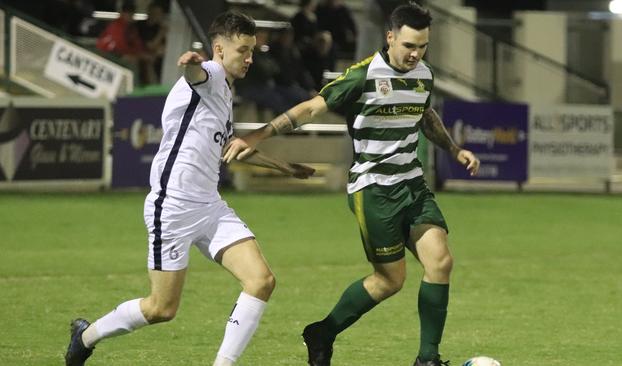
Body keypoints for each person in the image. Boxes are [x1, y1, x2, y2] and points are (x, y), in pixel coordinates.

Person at [223, 3, 480, 366]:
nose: (414, 53)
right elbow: (312, 108)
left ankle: (427, 359)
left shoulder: (424, 74)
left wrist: (454, 149)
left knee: (440, 261)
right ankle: (322, 332)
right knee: (390, 281)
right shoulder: (363, 76)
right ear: (390, 37)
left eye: (422, 46)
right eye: (408, 45)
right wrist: (258, 136)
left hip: (412, 184)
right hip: (373, 190)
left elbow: (424, 112)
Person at [65, 11, 315, 366]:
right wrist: (191, 64)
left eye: (252, 51)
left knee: (261, 280)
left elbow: (232, 148)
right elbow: (197, 73)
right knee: (161, 308)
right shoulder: (211, 75)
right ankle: (86, 336)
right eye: (243, 49)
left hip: (209, 206)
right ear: (219, 49)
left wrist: (285, 167)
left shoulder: (224, 92)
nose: (249, 57)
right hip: (174, 206)